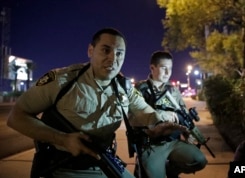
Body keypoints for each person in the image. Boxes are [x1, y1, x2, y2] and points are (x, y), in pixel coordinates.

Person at [7, 28, 187, 178]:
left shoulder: (124, 87)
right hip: (61, 168)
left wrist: (158, 124)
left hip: (104, 163)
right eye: (106, 50)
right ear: (90, 51)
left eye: (119, 53)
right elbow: (16, 117)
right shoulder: (63, 81)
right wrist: (62, 139)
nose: (113, 58)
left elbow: (145, 112)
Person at [130, 51, 207, 178]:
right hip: (151, 145)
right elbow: (132, 118)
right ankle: (143, 167)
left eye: (170, 69)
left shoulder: (173, 89)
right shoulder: (141, 89)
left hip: (172, 142)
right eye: (164, 68)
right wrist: (162, 115)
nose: (167, 73)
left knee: (199, 160)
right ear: (152, 68)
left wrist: (187, 131)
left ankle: (170, 171)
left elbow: (182, 114)